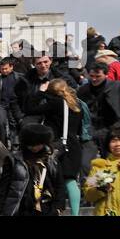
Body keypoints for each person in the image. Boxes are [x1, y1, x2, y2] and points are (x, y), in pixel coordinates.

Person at [0, 123, 64, 216]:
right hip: (21, 208)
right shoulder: (14, 160)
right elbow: (3, 187)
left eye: (38, 144)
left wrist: (58, 208)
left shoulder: (51, 160)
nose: (34, 148)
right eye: (31, 145)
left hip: (46, 207)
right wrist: (1, 210)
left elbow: (59, 185)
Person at [41, 78, 84, 215]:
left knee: (54, 181)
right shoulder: (76, 104)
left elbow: (30, 108)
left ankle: (55, 211)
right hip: (74, 146)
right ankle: (75, 214)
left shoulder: (56, 103)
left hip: (59, 146)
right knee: (70, 181)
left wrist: (41, 92)